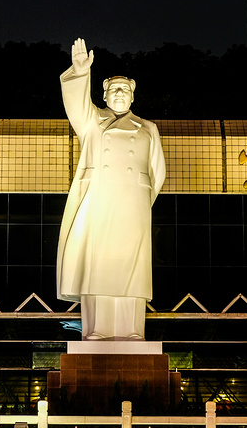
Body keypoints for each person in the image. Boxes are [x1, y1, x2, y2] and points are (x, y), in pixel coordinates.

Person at [57, 38, 166, 341]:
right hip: (99, 204)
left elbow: (158, 173)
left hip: (132, 208)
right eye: (114, 89)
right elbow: (76, 106)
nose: (120, 93)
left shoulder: (147, 128)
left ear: (134, 95)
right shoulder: (93, 121)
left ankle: (132, 330)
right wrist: (80, 71)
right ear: (104, 94)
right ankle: (98, 330)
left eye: (126, 89)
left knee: (132, 269)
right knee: (98, 267)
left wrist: (139, 199)